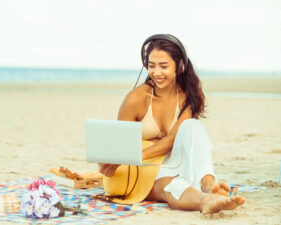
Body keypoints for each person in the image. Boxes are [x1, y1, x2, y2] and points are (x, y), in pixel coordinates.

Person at [98, 34, 245, 214]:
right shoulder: (136, 99)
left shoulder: (187, 95)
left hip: (171, 160)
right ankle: (206, 200)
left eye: (164, 66)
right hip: (140, 169)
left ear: (179, 65)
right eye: (151, 66)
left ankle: (209, 185)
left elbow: (173, 140)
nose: (156, 72)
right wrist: (111, 160)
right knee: (172, 185)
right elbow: (120, 145)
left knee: (192, 126)